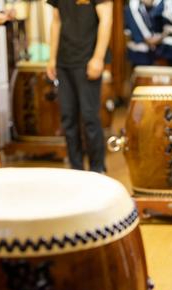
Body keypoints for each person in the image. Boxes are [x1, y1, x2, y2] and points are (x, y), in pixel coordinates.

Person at [46, 0, 113, 173]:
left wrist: (98, 57)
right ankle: (75, 169)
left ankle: (97, 169)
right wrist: (52, 58)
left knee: (89, 117)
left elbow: (106, 19)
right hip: (64, 61)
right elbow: (56, 20)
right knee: (68, 118)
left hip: (87, 61)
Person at [125, 0, 159, 68]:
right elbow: (147, 37)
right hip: (139, 52)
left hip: (150, 52)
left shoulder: (143, 7)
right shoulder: (133, 8)